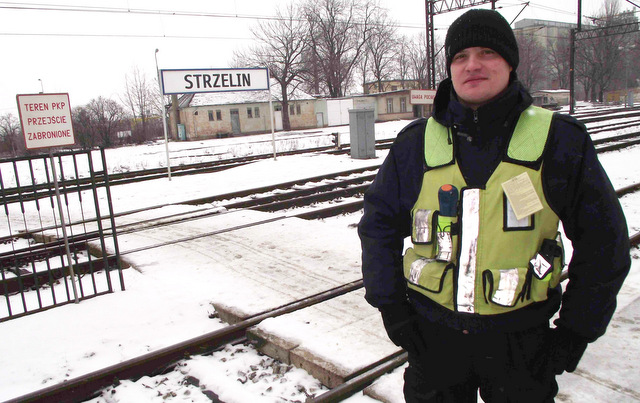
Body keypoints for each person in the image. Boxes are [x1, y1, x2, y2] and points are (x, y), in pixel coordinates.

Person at [358, 8, 631, 402]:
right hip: (433, 342)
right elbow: (378, 227)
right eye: (459, 56)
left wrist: (574, 334)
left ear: (509, 62)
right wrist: (393, 310)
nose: (473, 65)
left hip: (523, 347)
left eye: (487, 52)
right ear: (449, 68)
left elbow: (604, 245)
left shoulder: (560, 142)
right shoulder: (415, 144)